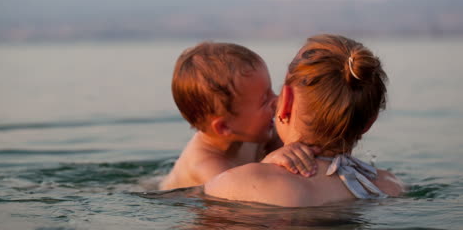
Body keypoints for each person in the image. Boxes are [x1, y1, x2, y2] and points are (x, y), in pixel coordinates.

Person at [204, 34, 404, 206]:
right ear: (369, 123)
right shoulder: (390, 185)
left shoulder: (236, 184)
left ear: (286, 104)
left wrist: (263, 167)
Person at [160, 42, 318, 190]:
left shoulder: (251, 133)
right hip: (175, 198)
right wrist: (266, 165)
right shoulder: (206, 165)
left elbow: (283, 143)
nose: (277, 101)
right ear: (224, 127)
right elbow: (241, 192)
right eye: (264, 100)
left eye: (271, 91)